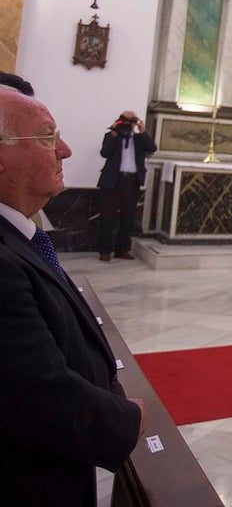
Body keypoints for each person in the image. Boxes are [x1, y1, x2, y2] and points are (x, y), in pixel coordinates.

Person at [0, 77, 146, 506]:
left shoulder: (21, 237)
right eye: (48, 137)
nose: (64, 150)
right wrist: (128, 418)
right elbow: (36, 394)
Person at [96, 110, 157, 261]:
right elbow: (105, 153)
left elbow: (152, 148)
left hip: (132, 181)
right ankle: (105, 250)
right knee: (107, 216)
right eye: (126, 120)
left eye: (132, 120)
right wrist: (114, 132)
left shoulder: (139, 139)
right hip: (112, 180)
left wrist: (142, 131)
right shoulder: (111, 136)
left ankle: (122, 249)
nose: (128, 124)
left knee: (128, 217)